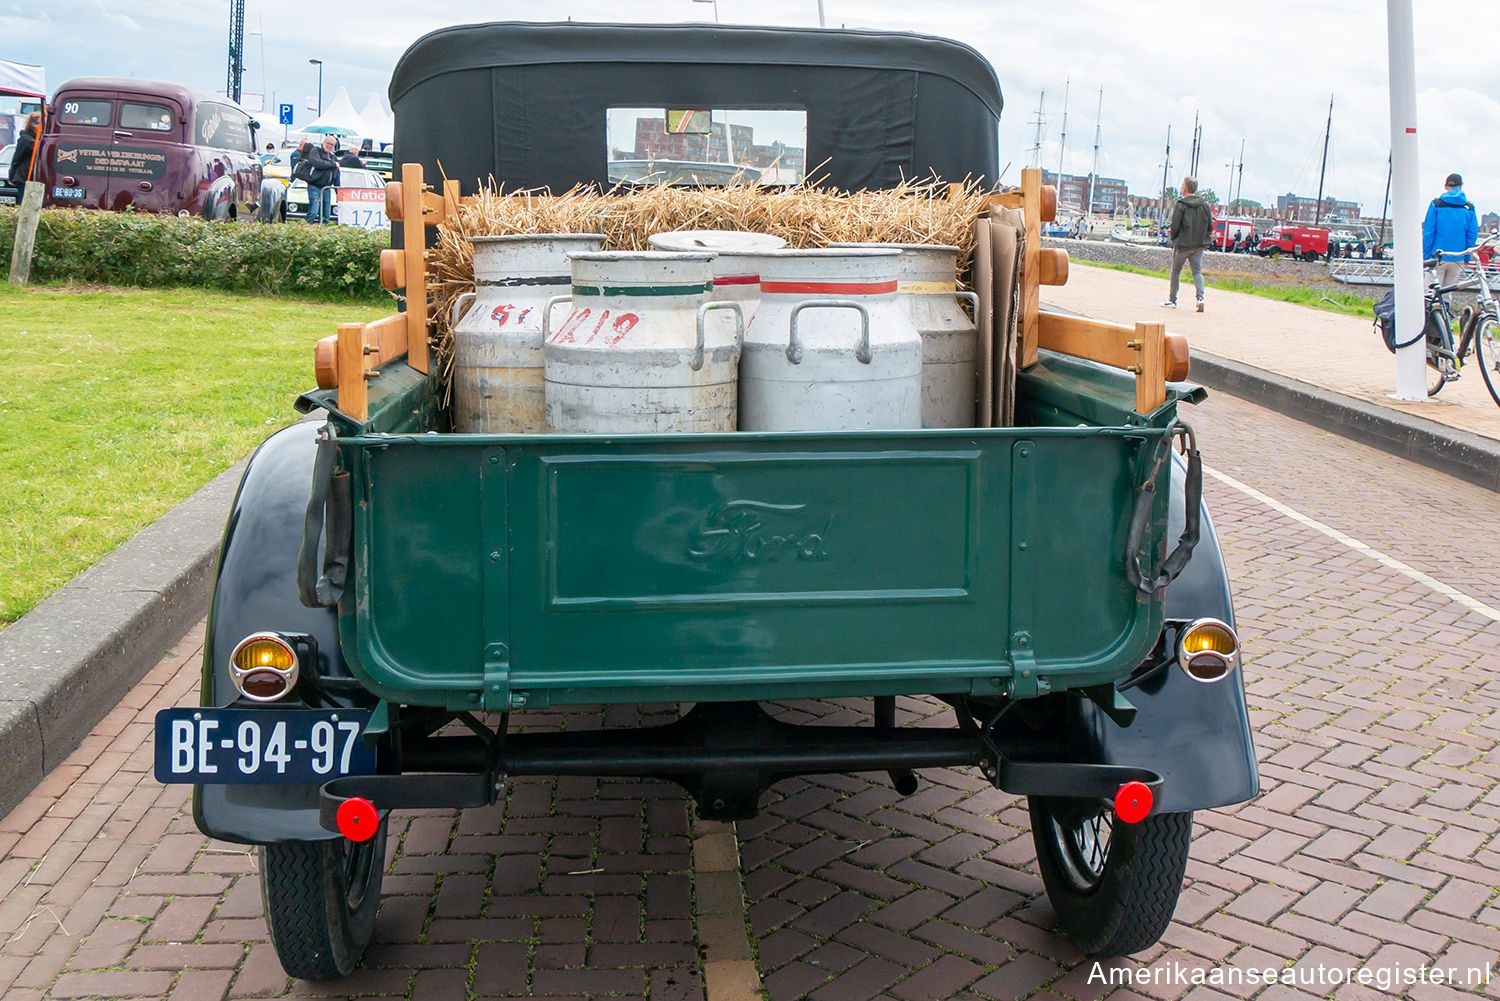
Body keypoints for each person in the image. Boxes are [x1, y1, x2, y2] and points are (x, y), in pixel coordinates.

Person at [1162, 176, 1213, 312]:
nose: (1180, 187)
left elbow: (1175, 225)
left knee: (1176, 271)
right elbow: (1210, 226)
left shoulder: (1181, 205)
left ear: (1185, 187)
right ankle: (1200, 298)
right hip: (1199, 245)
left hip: (1183, 245)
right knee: (1197, 272)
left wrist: (1174, 238)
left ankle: (1172, 300)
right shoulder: (1205, 205)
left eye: (1182, 185)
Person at [1422, 172, 1478, 290]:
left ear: (1446, 186)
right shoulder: (1469, 208)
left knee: (1429, 293)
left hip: (1437, 256)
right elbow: (1472, 235)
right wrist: (1466, 257)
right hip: (1458, 257)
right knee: (1448, 293)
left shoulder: (1436, 204)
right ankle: (1446, 308)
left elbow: (1429, 232)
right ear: (1461, 186)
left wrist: (1426, 256)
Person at [298, 135, 341, 223]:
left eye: (332, 145)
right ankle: (305, 230)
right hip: (315, 187)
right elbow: (317, 163)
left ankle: (323, 233)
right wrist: (332, 164)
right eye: (328, 143)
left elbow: (337, 176)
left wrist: (338, 192)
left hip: (327, 189)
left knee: (326, 216)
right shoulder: (315, 151)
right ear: (323, 143)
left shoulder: (333, 157)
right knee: (313, 212)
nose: (330, 146)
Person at [6, 111, 41, 190]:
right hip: (24, 176)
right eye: (36, 123)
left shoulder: (38, 139)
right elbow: (17, 158)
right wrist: (11, 176)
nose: (38, 126)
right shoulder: (26, 139)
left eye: (40, 123)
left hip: (34, 176)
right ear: (30, 124)